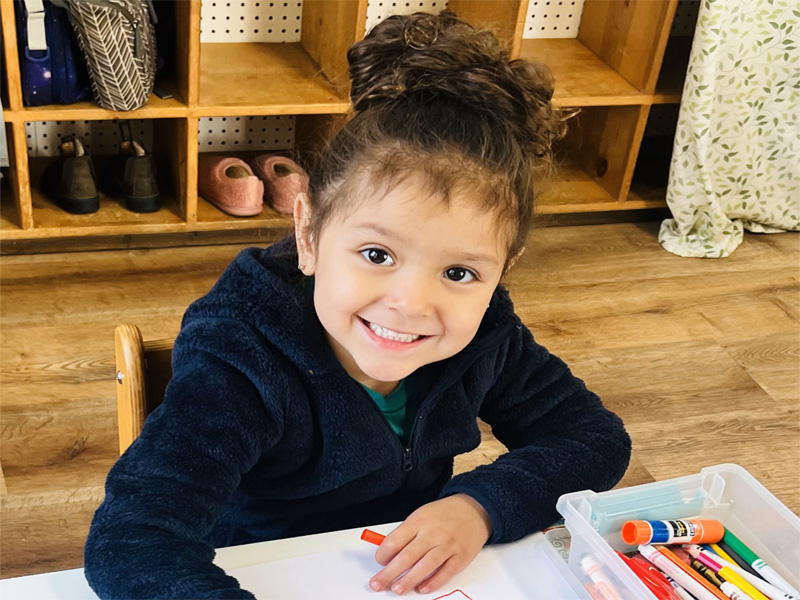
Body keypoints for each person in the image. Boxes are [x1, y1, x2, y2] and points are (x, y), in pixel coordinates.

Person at [84, 11, 631, 599]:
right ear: (310, 235)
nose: (411, 304)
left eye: (459, 272)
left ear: (504, 271)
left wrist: (479, 507)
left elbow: (593, 437)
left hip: (400, 572)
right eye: (376, 254)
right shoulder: (242, 353)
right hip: (260, 568)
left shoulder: (488, 333)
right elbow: (133, 539)